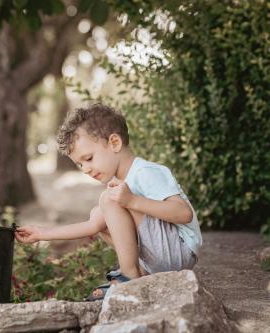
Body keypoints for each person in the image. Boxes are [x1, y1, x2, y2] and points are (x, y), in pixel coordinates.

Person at [15, 103, 202, 301]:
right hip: (159, 257)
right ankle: (138, 272)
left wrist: (132, 201)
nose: (85, 169)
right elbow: (92, 226)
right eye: (79, 164)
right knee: (99, 212)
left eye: (88, 158)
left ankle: (129, 276)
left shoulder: (146, 172)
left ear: (114, 143)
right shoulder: (117, 184)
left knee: (108, 201)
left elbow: (184, 213)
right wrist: (41, 233)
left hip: (178, 252)